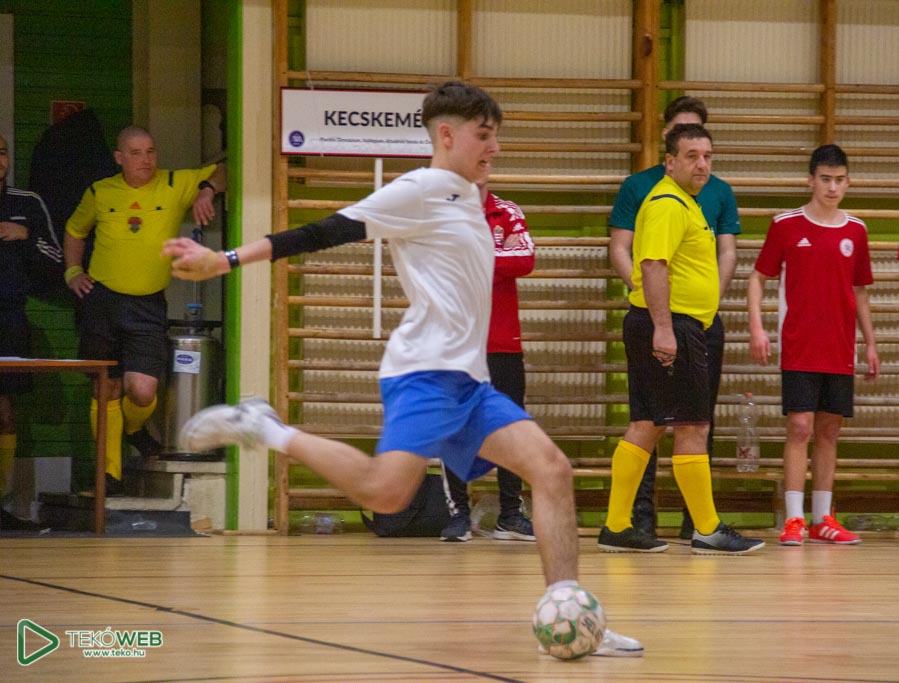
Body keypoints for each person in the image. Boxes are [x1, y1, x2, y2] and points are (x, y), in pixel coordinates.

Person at [162, 81, 642, 657]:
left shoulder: (470, 196)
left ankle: (575, 616)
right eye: (484, 135)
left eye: (496, 136)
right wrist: (225, 259)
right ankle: (265, 427)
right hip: (425, 373)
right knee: (386, 494)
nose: (495, 147)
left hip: (470, 382)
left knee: (552, 470)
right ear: (447, 135)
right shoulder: (418, 189)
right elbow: (321, 232)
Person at [597, 123, 764, 555]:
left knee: (648, 425)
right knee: (692, 425)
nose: (702, 164)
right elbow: (652, 265)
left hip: (671, 323)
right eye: (692, 156)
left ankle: (617, 526)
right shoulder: (669, 203)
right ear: (669, 162)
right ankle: (707, 529)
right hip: (672, 325)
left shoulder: (685, 203)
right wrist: (665, 329)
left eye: (707, 156)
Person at [64, 126, 226, 495]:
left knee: (141, 390)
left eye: (150, 151)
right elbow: (75, 230)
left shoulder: (173, 183)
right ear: (119, 158)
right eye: (135, 153)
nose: (145, 159)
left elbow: (225, 171)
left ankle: (134, 429)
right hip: (101, 301)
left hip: (147, 304)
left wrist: (206, 190)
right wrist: (72, 272)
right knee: (105, 387)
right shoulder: (99, 191)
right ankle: (109, 474)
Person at [748, 144, 879, 546]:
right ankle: (793, 519)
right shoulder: (785, 225)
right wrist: (757, 327)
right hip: (800, 345)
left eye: (839, 180)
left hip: (840, 347)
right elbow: (757, 278)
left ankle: (823, 518)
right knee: (800, 427)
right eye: (825, 179)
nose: (832, 187)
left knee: (829, 430)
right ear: (811, 180)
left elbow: (860, 291)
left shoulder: (856, 230)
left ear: (848, 182)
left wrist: (870, 343)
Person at [440, 177, 536, 543]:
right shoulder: (442, 211)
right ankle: (459, 514)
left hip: (502, 342)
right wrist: (496, 255)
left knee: (509, 428)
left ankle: (510, 514)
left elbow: (525, 260)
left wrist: (474, 257)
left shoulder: (507, 212)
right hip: (456, 343)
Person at [0, 132, 63, 527]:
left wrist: (24, 236)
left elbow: (56, 258)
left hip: (9, 317)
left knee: (4, 412)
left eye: (2, 152)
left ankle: (1, 503)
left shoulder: (27, 203)